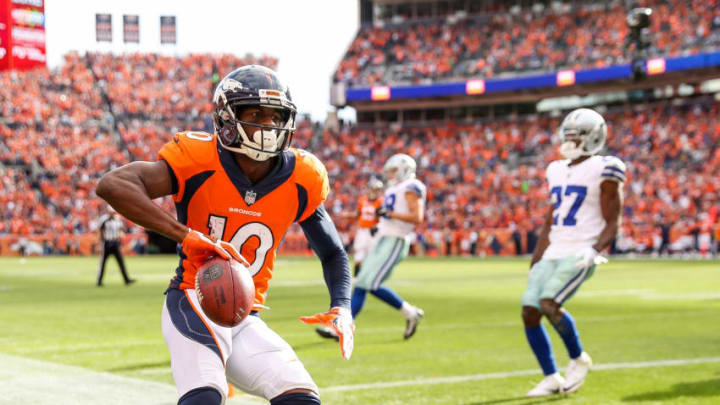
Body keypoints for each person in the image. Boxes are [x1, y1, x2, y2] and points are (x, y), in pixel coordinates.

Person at [96, 65, 353, 405]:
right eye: (255, 113)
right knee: (205, 398)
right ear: (227, 118)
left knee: (302, 399)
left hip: (246, 316)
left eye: (276, 117)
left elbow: (333, 253)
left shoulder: (303, 177)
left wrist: (343, 306)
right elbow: (112, 184)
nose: (268, 125)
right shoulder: (199, 158)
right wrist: (184, 235)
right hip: (193, 300)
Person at [521, 108, 625, 397]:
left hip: (580, 249)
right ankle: (551, 377)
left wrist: (594, 250)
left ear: (593, 137)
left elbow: (613, 219)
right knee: (529, 311)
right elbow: (551, 217)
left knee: (549, 303)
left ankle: (579, 359)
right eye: (567, 134)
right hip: (555, 248)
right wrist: (536, 258)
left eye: (576, 135)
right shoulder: (555, 169)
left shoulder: (605, 168)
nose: (569, 140)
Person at [320, 154, 425, 341]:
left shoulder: (411, 186)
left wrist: (389, 213)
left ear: (404, 168)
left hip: (396, 240)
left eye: (394, 170)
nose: (391, 175)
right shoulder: (395, 187)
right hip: (383, 238)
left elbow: (417, 217)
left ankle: (343, 327)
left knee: (365, 284)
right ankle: (410, 313)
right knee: (363, 284)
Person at [316, 179, 383, 340]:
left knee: (364, 283)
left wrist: (379, 227)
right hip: (363, 232)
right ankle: (408, 310)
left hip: (374, 235)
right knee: (361, 272)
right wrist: (347, 215)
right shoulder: (363, 201)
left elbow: (384, 219)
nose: (371, 191)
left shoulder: (381, 202)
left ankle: (343, 324)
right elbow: (359, 215)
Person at [96, 207, 135, 286]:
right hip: (107, 243)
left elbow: (120, 229)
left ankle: (126, 279)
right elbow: (100, 231)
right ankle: (99, 281)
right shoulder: (103, 219)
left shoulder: (117, 219)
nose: (113, 213)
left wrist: (121, 234)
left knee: (121, 262)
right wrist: (99, 244)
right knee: (102, 263)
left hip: (115, 243)